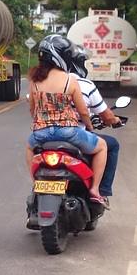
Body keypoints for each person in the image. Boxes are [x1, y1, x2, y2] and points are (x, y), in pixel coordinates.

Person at [26, 35, 109, 204]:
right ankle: (94, 189)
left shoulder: (35, 81)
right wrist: (89, 127)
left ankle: (36, 183)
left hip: (40, 133)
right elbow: (83, 111)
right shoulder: (69, 80)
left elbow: (32, 109)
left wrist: (40, 123)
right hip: (68, 132)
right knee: (102, 146)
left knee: (28, 147)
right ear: (62, 57)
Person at [66, 42, 122, 206]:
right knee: (110, 145)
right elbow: (95, 113)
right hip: (75, 134)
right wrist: (109, 121)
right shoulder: (84, 85)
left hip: (46, 133)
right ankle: (99, 190)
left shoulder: (48, 83)